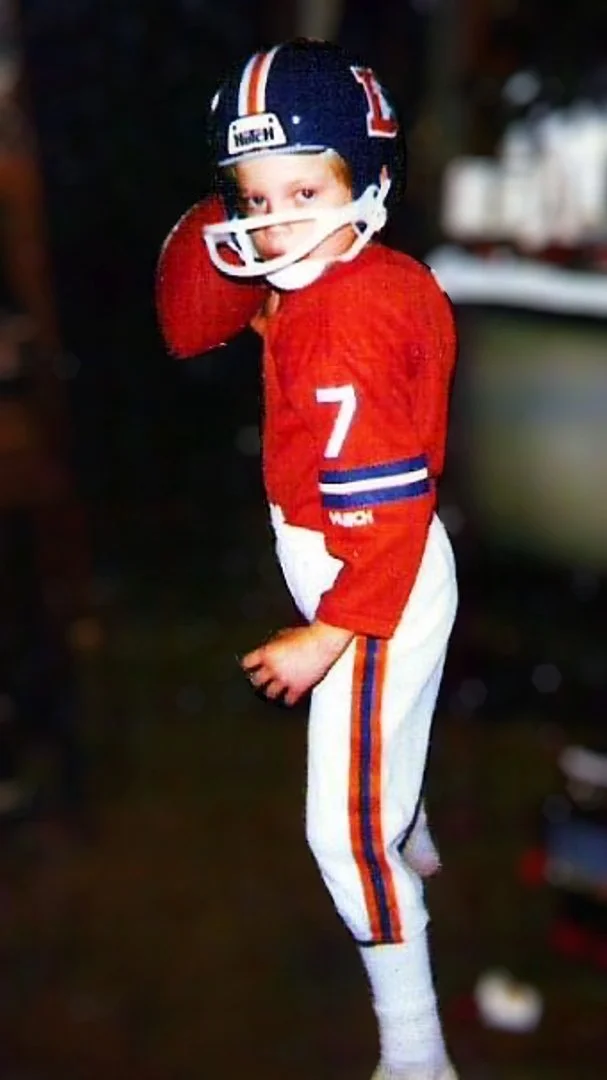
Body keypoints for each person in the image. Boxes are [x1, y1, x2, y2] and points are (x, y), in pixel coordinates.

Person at [157, 39, 458, 1080]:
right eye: (252, 192)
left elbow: (385, 511)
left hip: (370, 580)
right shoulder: (353, 273)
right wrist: (227, 209)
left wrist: (330, 631)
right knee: (385, 761)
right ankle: (408, 834)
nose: (272, 217)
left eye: (300, 189)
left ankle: (416, 1051)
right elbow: (194, 324)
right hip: (374, 557)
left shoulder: (344, 325)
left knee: (340, 834)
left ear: (366, 184)